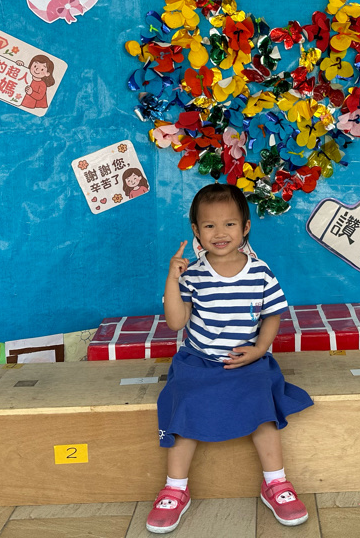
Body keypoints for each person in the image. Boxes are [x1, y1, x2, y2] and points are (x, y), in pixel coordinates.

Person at [148, 184, 313, 533]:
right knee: (183, 407)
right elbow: (176, 322)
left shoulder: (260, 272)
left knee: (263, 409)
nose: (220, 233)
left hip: (247, 362)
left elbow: (272, 315)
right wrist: (172, 280)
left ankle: (276, 483)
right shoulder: (192, 275)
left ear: (245, 227)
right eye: (209, 226)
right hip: (199, 362)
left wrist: (260, 350)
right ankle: (175, 489)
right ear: (196, 231)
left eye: (229, 224)